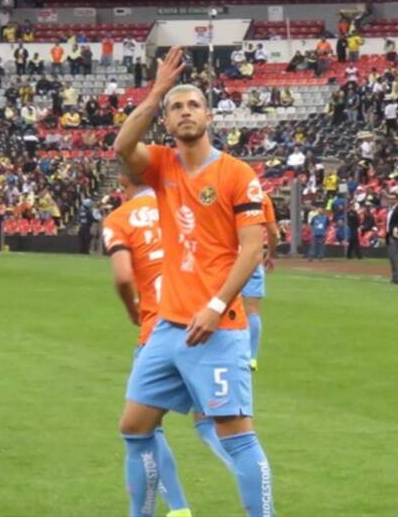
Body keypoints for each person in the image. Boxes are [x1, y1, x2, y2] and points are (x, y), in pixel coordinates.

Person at [115, 47, 274, 517]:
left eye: (192, 105)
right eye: (176, 108)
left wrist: (217, 304)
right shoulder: (161, 164)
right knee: (134, 427)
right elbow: (123, 147)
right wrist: (158, 89)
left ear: (208, 115)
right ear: (167, 120)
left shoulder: (236, 174)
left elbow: (252, 249)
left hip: (217, 328)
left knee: (237, 435)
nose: (185, 112)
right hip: (168, 328)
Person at [102, 175, 193, 517]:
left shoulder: (122, 217)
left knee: (139, 429)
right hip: (208, 325)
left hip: (158, 329)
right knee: (228, 431)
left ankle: (165, 510)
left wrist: (132, 310)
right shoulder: (182, 203)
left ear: (123, 180)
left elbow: (124, 277)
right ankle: (180, 508)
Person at [241, 192, 279, 372]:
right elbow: (273, 232)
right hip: (252, 255)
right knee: (252, 310)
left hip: (225, 255)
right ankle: (251, 357)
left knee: (219, 304)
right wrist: (271, 254)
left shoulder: (223, 188)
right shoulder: (261, 197)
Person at [385, 192, 398, 285]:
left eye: (393, 198)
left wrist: (397, 231)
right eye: (389, 198)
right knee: (392, 257)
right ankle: (394, 276)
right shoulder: (390, 210)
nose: (391, 200)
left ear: (396, 199)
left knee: (397, 257)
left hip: (395, 235)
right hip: (389, 235)